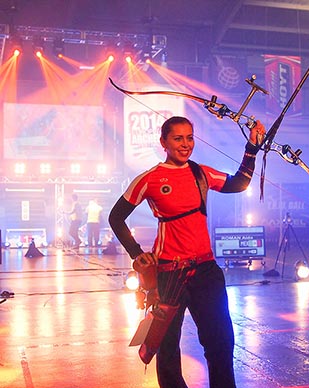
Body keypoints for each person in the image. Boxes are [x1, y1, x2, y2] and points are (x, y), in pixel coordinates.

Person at [108, 116, 265, 388]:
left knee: (221, 341)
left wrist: (251, 148)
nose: (185, 144)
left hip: (206, 272)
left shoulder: (201, 173)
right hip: (169, 274)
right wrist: (136, 253)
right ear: (163, 143)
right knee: (166, 348)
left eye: (189, 137)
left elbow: (240, 183)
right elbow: (116, 217)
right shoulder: (150, 179)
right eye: (178, 138)